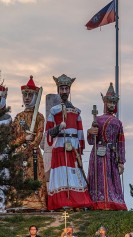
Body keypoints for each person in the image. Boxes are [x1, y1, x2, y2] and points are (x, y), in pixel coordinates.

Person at [45, 74, 92, 210]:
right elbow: (48, 133)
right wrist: (59, 127)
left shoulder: (76, 112)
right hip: (60, 144)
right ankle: (61, 201)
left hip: (73, 146)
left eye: (66, 89)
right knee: (61, 172)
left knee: (73, 172)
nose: (64, 91)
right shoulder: (54, 111)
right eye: (62, 89)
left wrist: (80, 147)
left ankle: (76, 201)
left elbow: (80, 131)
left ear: (69, 90)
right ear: (59, 91)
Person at [87, 83, 127, 210]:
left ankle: (112, 201)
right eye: (109, 102)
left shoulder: (118, 123)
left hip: (111, 153)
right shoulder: (97, 120)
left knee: (111, 178)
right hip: (98, 151)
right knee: (98, 176)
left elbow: (121, 142)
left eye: (113, 103)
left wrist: (121, 161)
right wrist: (90, 132)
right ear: (105, 103)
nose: (111, 105)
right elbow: (90, 141)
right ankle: (96, 200)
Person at [12, 76, 46, 210]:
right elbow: (12, 138)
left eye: (30, 95)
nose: (26, 97)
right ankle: (19, 202)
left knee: (34, 176)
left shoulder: (39, 116)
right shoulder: (18, 117)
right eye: (25, 95)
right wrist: (23, 140)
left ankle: (36, 202)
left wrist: (31, 144)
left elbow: (39, 135)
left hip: (33, 153)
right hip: (20, 152)